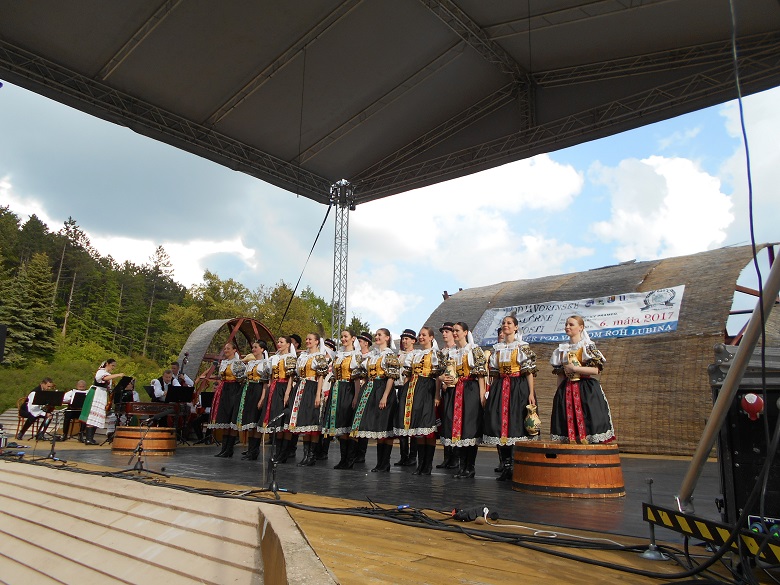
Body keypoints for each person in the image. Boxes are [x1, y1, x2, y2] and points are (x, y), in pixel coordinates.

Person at [483, 316, 538, 481]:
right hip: (500, 388)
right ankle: (506, 465)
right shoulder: (497, 349)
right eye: (503, 323)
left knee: (515, 424)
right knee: (500, 424)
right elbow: (493, 374)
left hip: (518, 388)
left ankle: (515, 466)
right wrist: (491, 392)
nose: (505, 325)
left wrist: (531, 393)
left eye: (509, 323)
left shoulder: (522, 347)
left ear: (516, 327)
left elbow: (529, 372)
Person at [550, 315, 616, 444]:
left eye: (571, 324)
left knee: (589, 418)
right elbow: (561, 375)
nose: (567, 327)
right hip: (567, 389)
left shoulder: (587, 346)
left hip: (585, 388)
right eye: (566, 324)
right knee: (567, 421)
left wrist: (575, 369)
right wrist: (559, 393)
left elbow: (596, 370)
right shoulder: (561, 349)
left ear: (581, 328)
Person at [440, 322, 487, 479]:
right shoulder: (450, 352)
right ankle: (462, 466)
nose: (454, 333)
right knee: (456, 428)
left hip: (470, 390)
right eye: (453, 330)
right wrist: (444, 381)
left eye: (457, 330)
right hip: (454, 392)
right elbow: (442, 373)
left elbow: (481, 375)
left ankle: (470, 467)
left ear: (466, 332)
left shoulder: (473, 349)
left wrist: (482, 395)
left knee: (469, 428)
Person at [350, 329, 401, 472]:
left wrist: (385, 396)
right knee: (378, 426)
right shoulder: (373, 355)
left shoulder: (389, 354)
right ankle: (380, 463)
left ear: (387, 338)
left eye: (380, 335)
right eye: (376, 335)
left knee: (384, 426)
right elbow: (362, 373)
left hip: (383, 389)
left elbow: (391, 377)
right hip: (370, 389)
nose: (377, 337)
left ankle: (385, 463)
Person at [394, 327, 441, 475]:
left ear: (431, 337)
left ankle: (428, 465)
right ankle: (421, 465)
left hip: (427, 389)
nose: (421, 337)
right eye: (420, 335)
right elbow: (407, 375)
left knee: (428, 427)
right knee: (418, 428)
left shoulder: (435, 354)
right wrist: (405, 393)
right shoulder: (414, 355)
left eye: (424, 335)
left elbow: (438, 376)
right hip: (413, 390)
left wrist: (437, 395)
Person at [287, 333, 329, 466]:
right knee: (305, 422)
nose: (307, 341)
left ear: (317, 342)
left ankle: (311, 456)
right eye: (306, 339)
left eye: (310, 339)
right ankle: (306, 455)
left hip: (312, 387)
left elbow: (321, 376)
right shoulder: (302, 356)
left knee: (313, 421)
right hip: (301, 388)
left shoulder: (319, 356)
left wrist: (318, 394)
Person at [324, 330, 361, 469]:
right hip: (337, 390)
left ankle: (350, 459)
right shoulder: (339, 355)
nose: (343, 339)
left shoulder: (355, 355)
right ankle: (343, 459)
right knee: (340, 425)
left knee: (348, 424)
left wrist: (356, 396)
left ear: (353, 338)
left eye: (346, 336)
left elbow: (356, 378)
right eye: (342, 337)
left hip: (349, 389)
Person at [260, 336, 297, 462]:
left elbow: (291, 377)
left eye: (281, 342)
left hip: (284, 388)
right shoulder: (274, 358)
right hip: (275, 389)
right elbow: (270, 376)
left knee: (284, 421)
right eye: (278, 342)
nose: (279, 344)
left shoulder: (290, 358)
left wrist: (287, 393)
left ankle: (284, 453)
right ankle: (279, 451)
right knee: (277, 421)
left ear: (288, 344)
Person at [210, 341, 246, 458]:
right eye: (225, 349)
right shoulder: (224, 362)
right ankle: (224, 448)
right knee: (225, 419)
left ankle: (229, 449)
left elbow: (242, 379)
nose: (226, 350)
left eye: (228, 348)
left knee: (232, 418)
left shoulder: (238, 363)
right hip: (224, 389)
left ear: (234, 350)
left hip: (234, 389)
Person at [80, 359, 126, 445]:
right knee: (92, 415)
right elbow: (103, 378)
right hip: (96, 393)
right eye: (112, 365)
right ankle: (88, 438)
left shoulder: (108, 374)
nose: (113, 368)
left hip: (102, 393)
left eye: (114, 366)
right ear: (107, 364)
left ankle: (91, 438)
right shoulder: (101, 371)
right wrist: (118, 375)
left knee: (97, 416)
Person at [238, 339, 269, 460]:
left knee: (256, 421)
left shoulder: (265, 363)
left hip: (258, 389)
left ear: (262, 349)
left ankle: (254, 451)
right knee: (250, 421)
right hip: (249, 390)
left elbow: (265, 383)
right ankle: (250, 449)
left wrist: (262, 398)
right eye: (253, 347)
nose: (253, 349)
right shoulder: (251, 363)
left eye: (256, 347)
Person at [393, 329, 418, 468]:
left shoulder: (416, 355)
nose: (404, 341)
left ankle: (412, 456)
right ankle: (403, 456)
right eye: (403, 338)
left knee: (411, 422)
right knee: (401, 422)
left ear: (413, 341)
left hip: (411, 389)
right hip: (399, 389)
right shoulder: (398, 355)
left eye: (407, 339)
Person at [436, 322, 460, 470]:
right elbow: (438, 374)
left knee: (454, 421)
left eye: (447, 331)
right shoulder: (441, 352)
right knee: (446, 422)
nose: (444, 334)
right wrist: (437, 393)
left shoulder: (458, 350)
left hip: (457, 390)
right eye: (443, 331)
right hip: (445, 391)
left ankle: (455, 457)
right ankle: (447, 457)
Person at [353, 331, 373, 464]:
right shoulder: (355, 355)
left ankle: (361, 453)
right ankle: (353, 451)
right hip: (353, 388)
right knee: (353, 420)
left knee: (362, 420)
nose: (358, 343)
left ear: (366, 343)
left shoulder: (371, 356)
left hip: (365, 388)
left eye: (360, 341)